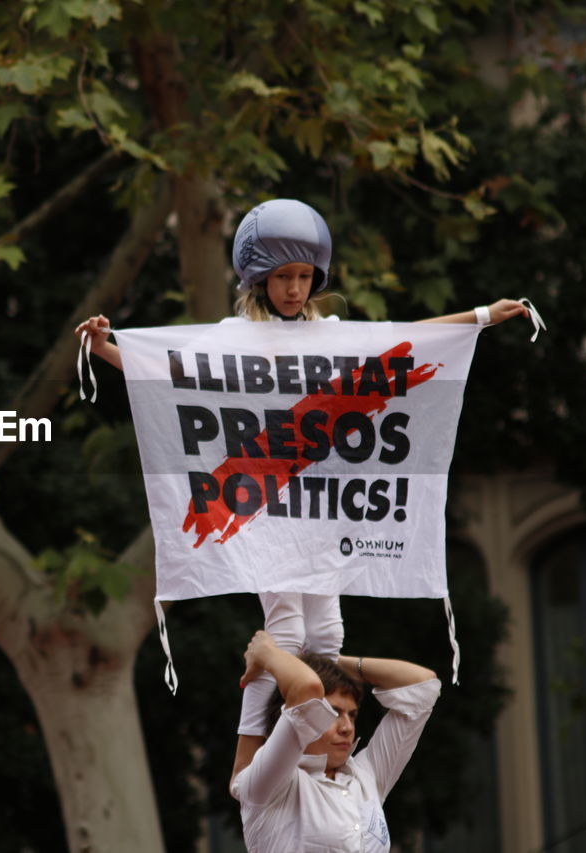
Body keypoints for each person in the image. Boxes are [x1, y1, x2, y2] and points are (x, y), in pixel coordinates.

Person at [74, 197, 528, 749]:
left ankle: (316, 752)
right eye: (283, 276)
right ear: (258, 278)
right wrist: (105, 347)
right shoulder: (231, 341)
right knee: (286, 628)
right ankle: (251, 754)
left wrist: (481, 317)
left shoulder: (331, 338)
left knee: (330, 635)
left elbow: (409, 341)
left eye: (304, 276)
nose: (294, 288)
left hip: (318, 513)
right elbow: (167, 374)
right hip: (266, 511)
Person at [231, 630, 440, 852]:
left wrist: (333, 661)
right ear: (293, 715)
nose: (347, 727)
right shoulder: (272, 781)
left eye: (352, 715)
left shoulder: (364, 775)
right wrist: (266, 652)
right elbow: (306, 689)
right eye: (333, 712)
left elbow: (423, 686)